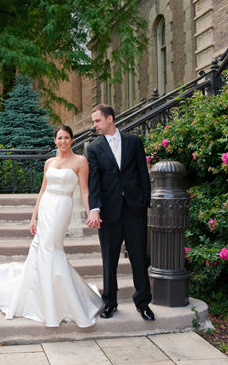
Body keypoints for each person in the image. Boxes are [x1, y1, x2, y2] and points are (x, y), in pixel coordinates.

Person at [0, 125, 103, 327]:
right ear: (55, 141)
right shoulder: (49, 162)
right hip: (46, 206)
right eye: (59, 138)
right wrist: (33, 217)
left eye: (67, 138)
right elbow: (42, 191)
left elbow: (85, 191)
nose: (63, 141)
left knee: (52, 248)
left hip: (62, 205)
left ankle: (63, 301)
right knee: (42, 249)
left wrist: (91, 212)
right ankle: (43, 299)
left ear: (72, 140)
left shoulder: (80, 161)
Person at [85, 103, 155, 321]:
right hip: (109, 211)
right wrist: (95, 209)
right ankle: (110, 303)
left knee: (138, 259)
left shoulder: (133, 142)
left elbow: (143, 173)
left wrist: (145, 202)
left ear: (110, 119)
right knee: (109, 259)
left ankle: (143, 304)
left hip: (135, 209)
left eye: (97, 121)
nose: (94, 125)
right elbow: (94, 181)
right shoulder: (93, 148)